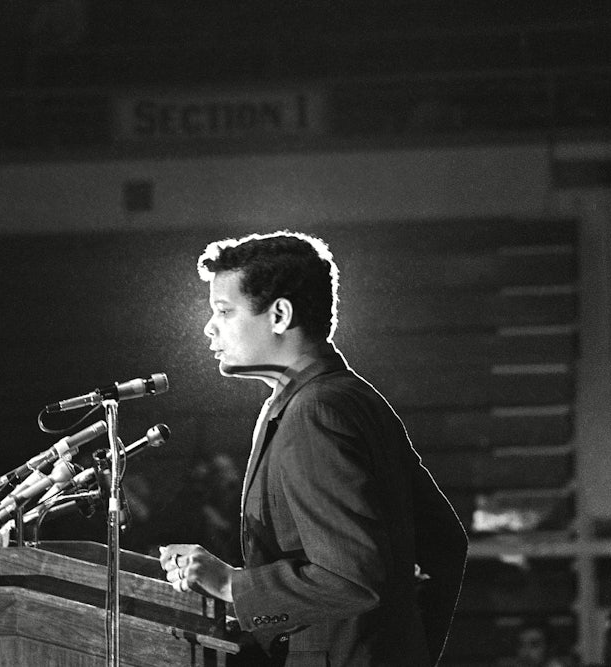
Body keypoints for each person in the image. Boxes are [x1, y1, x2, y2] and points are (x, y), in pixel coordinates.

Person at [160, 231, 468, 666]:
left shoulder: (315, 410)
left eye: (224, 311)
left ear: (280, 314)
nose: (210, 327)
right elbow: (446, 544)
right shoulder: (348, 397)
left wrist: (232, 585)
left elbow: (352, 578)